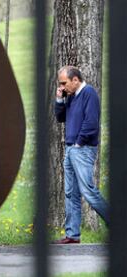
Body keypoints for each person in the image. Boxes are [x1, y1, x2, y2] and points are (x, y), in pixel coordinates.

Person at [53, 65, 109, 244]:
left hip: (82, 149)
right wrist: (59, 99)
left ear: (75, 80)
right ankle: (72, 235)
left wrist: (78, 143)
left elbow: (91, 123)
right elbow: (61, 118)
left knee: (88, 191)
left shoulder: (89, 93)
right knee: (71, 193)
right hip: (71, 149)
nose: (62, 87)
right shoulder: (70, 96)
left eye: (64, 83)